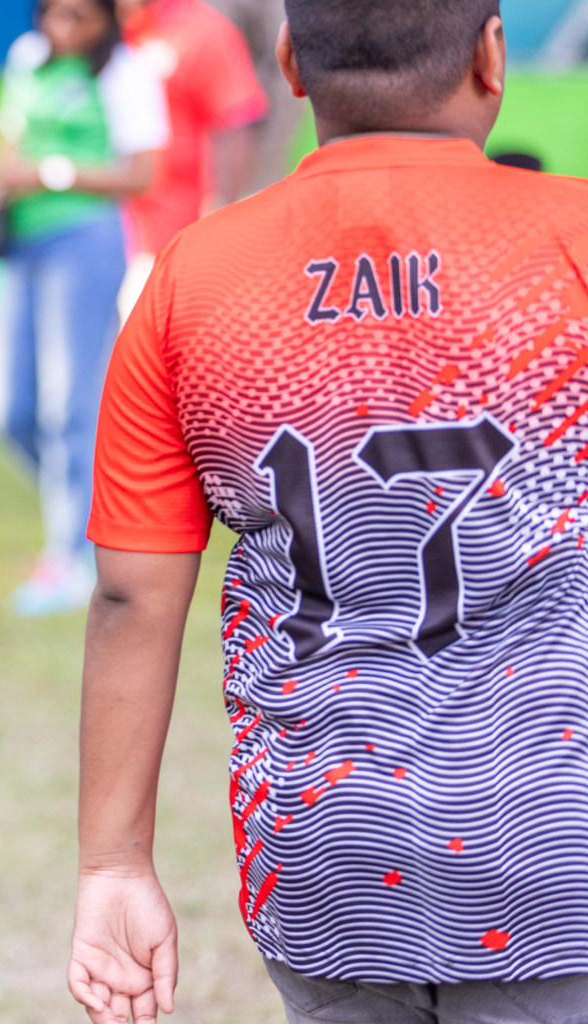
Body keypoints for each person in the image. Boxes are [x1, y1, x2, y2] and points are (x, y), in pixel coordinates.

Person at [69, 1, 588, 1021]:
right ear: (492, 55)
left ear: (290, 62)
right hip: (554, 837)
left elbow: (133, 596)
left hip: (322, 850)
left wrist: (114, 859)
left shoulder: (191, 279)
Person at [0, 0, 169, 617]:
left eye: (82, 15)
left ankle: (71, 553)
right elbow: (6, 144)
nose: (68, 27)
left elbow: (141, 175)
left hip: (86, 242)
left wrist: (50, 173)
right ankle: (97, 515)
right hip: (24, 243)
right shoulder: (27, 59)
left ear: (108, 19)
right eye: (57, 13)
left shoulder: (124, 72)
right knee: (7, 408)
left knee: (71, 405)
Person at [115, 0, 269, 317]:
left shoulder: (203, 31)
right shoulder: (112, 26)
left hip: (173, 241)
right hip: (108, 234)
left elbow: (233, 124)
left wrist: (217, 217)